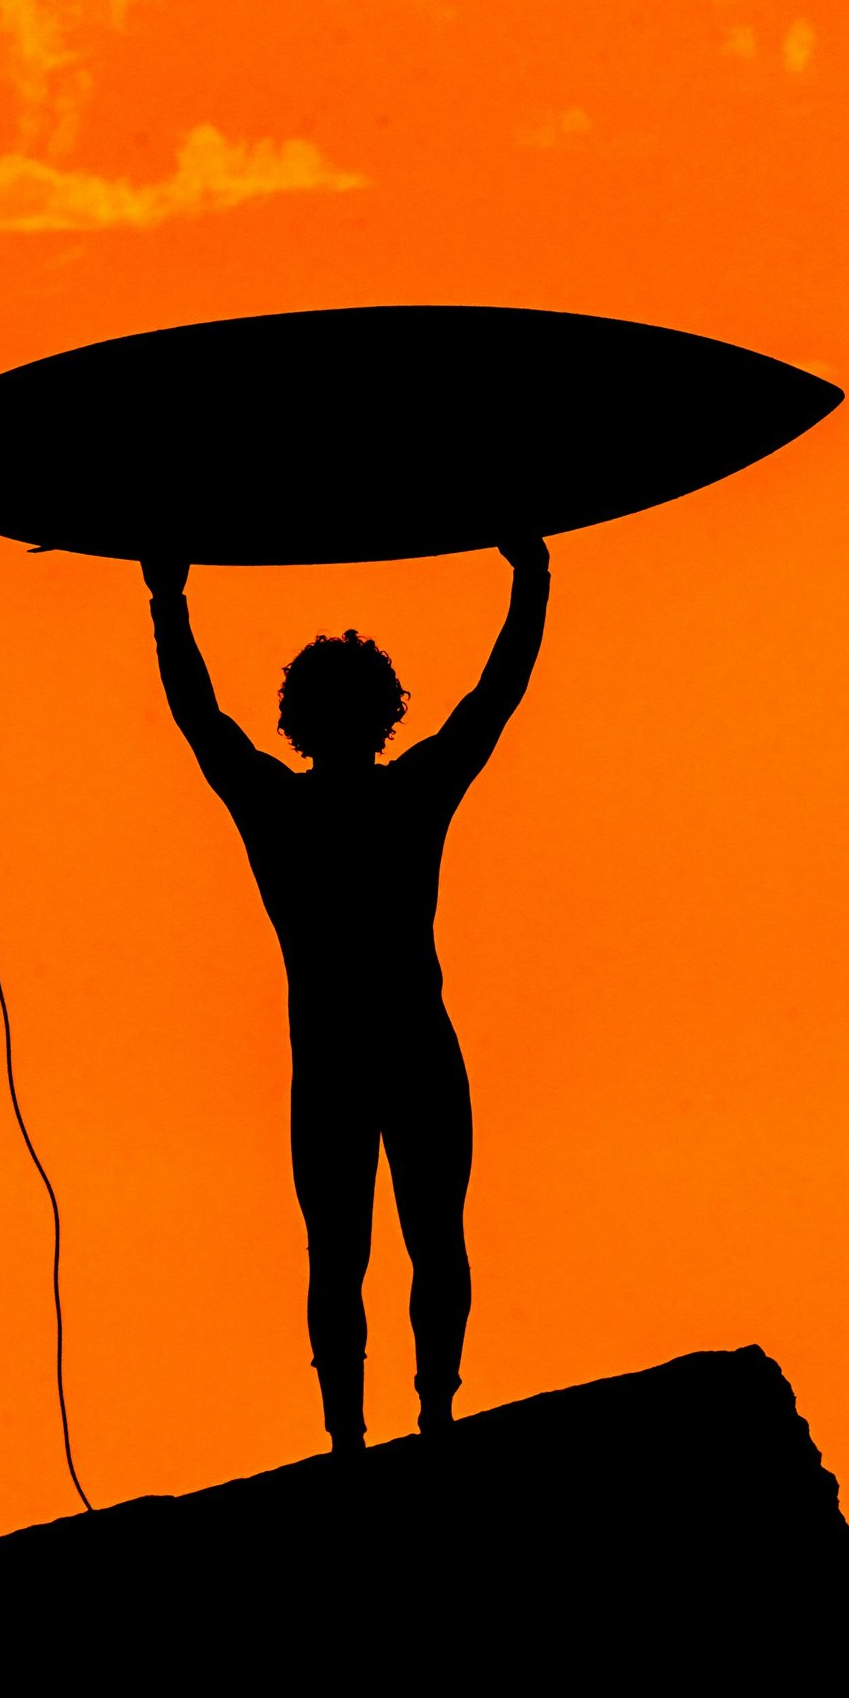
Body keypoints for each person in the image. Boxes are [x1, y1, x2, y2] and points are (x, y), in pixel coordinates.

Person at [144, 538, 550, 1451]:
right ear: (384, 716)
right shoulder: (411, 794)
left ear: (296, 720)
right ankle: (434, 1414)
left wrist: (166, 598)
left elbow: (199, 716)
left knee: (343, 1253)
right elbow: (494, 698)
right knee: (430, 1237)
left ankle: (350, 1439)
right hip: (413, 1047)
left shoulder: (275, 807)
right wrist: (533, 579)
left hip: (333, 1061)